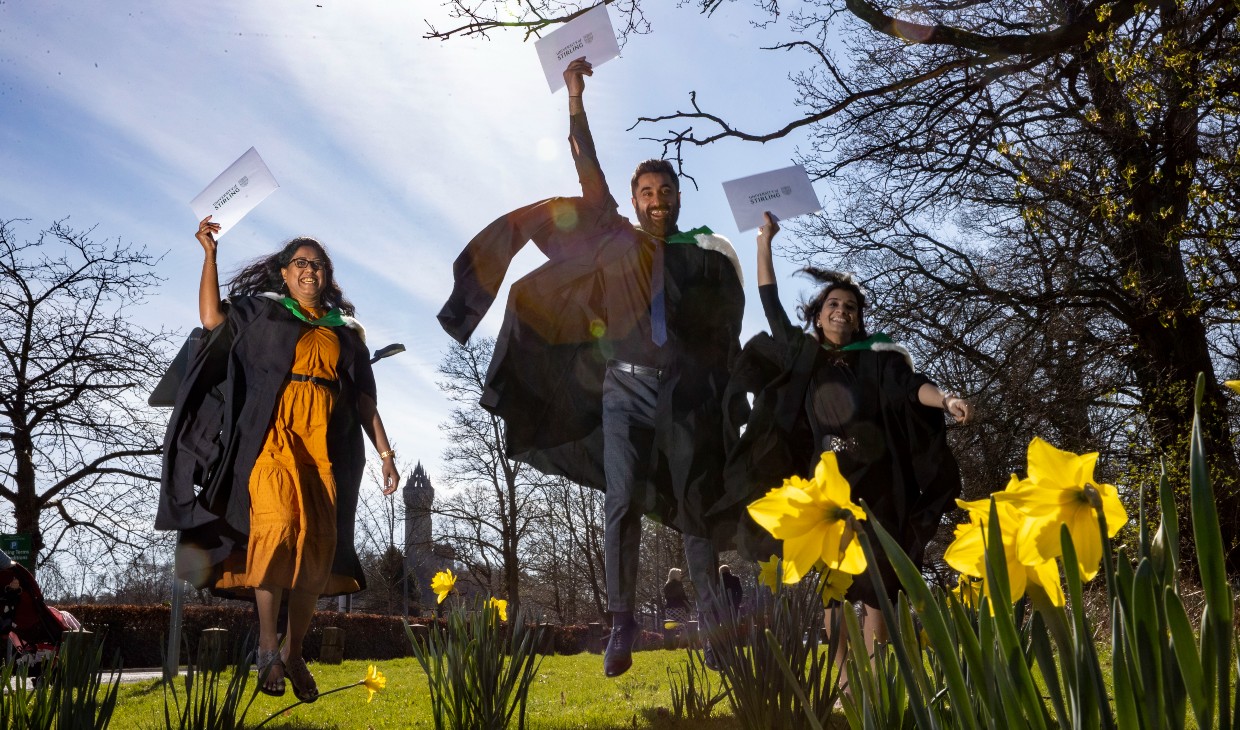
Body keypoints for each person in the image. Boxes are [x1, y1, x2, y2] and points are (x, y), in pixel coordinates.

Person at [437, 58, 745, 677]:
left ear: (679, 197)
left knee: (695, 506)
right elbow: (586, 164)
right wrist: (574, 97)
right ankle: (621, 626)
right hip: (622, 392)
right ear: (635, 201)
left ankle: (715, 627)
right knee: (621, 504)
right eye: (647, 193)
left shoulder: (702, 259)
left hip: (681, 396)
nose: (657, 200)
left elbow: (722, 335)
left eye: (665, 191)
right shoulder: (618, 239)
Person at [157, 216, 399, 701]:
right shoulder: (261, 313)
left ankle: (294, 651)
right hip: (271, 441)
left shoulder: (346, 332)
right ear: (284, 273)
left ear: (327, 276)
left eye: (319, 264)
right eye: (301, 263)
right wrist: (210, 255)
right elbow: (211, 319)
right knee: (274, 534)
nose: (310, 271)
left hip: (323, 448)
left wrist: (387, 453)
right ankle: (267, 645)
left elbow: (363, 401)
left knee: (314, 549)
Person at [716, 212, 971, 658]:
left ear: (858, 320)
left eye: (849, 307)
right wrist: (764, 242)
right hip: (829, 486)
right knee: (835, 587)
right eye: (832, 304)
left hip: (878, 485)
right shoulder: (805, 358)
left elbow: (914, 389)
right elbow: (771, 304)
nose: (841, 311)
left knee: (878, 585)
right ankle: (844, 695)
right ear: (819, 315)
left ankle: (878, 689)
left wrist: (946, 400)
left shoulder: (877, 360)